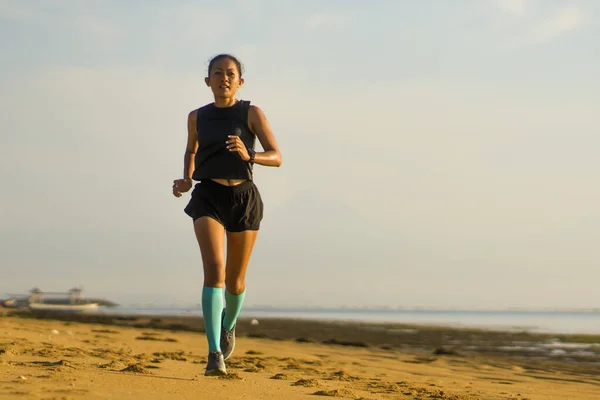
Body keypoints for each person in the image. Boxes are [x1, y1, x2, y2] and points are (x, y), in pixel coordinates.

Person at [172, 54, 282, 376]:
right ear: (208, 81)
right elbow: (191, 149)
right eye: (217, 73)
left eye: (230, 73)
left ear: (240, 81)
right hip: (208, 196)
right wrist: (186, 177)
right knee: (215, 270)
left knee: (235, 282)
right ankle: (213, 354)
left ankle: (228, 325)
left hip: (244, 198)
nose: (224, 78)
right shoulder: (196, 117)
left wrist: (252, 155)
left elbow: (277, 156)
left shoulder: (251, 113)